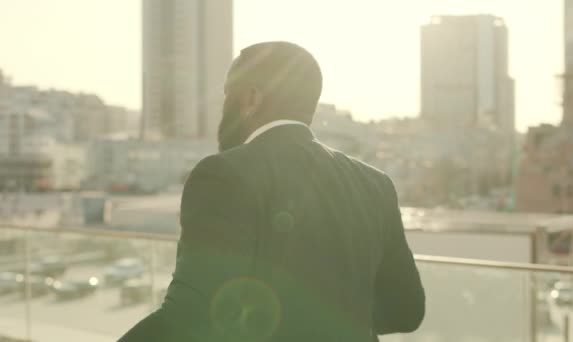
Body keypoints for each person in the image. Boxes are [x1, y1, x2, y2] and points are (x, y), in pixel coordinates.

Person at [119, 41, 425, 342]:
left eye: (227, 96)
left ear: (251, 99)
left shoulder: (222, 175)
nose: (222, 110)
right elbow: (406, 311)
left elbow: (190, 315)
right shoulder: (374, 184)